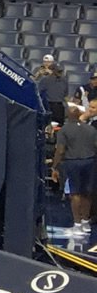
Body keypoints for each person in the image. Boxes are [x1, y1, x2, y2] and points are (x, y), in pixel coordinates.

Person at [52, 103, 95, 243]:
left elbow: (61, 150)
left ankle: (77, 225)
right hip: (90, 162)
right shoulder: (90, 129)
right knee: (87, 192)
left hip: (73, 163)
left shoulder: (64, 130)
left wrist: (54, 166)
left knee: (75, 193)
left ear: (68, 115)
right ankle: (85, 222)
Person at [37, 55, 69, 125]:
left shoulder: (64, 80)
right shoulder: (45, 80)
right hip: (49, 106)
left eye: (60, 71)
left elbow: (65, 95)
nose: (59, 73)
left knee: (58, 126)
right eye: (58, 71)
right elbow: (38, 93)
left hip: (59, 107)